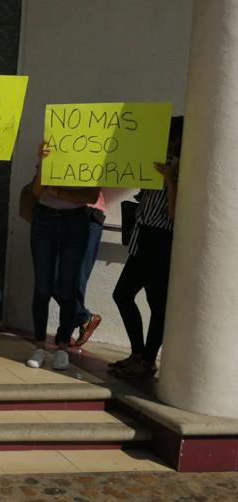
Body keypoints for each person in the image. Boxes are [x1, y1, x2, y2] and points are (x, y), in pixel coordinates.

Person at [110, 117, 182, 379]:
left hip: (162, 238)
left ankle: (148, 360)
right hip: (143, 235)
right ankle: (138, 353)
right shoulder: (153, 159)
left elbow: (176, 215)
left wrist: (170, 180)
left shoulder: (185, 168)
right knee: (122, 294)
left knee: (157, 303)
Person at [27, 144, 101, 371]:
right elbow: (37, 191)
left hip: (75, 221)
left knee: (68, 288)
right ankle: (39, 346)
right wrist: (42, 162)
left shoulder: (91, 157)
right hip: (45, 219)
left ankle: (61, 348)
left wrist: (58, 192)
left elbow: (91, 195)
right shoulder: (51, 153)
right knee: (42, 287)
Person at [56, 192, 105, 348]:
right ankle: (81, 318)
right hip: (62, 215)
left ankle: (68, 328)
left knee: (77, 279)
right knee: (54, 279)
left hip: (88, 215)